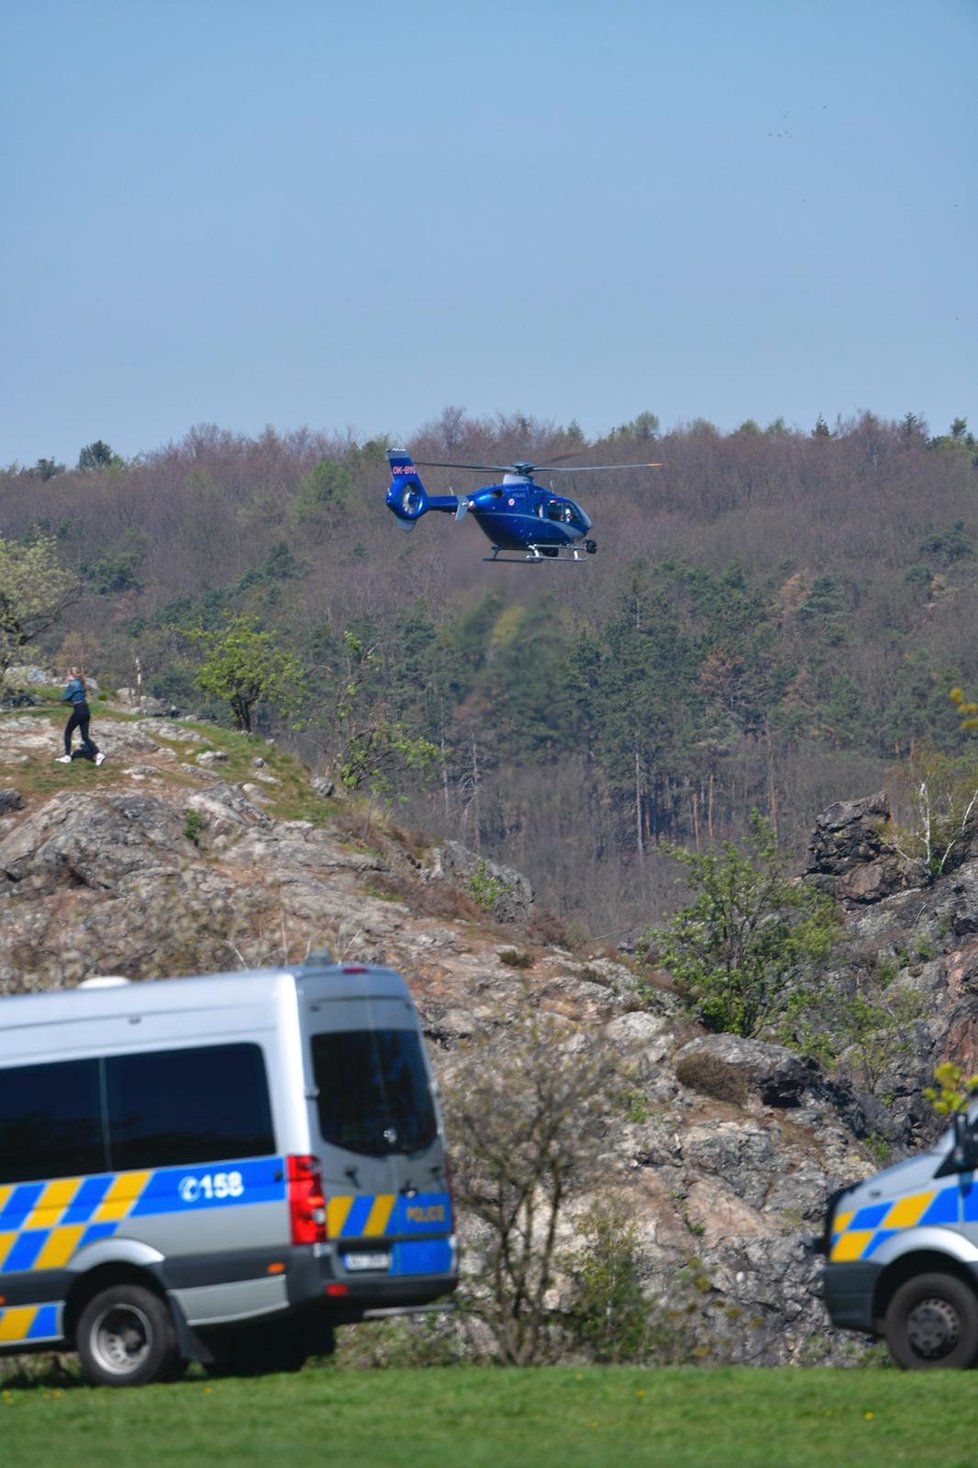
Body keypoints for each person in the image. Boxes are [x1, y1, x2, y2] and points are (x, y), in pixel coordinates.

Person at [58, 667, 104, 765]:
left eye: (68, 675)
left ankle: (67, 757)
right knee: (85, 737)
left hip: (79, 710)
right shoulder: (81, 683)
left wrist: (60, 700)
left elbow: (65, 697)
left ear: (71, 675)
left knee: (67, 732)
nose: (67, 677)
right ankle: (98, 754)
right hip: (86, 710)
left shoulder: (73, 684)